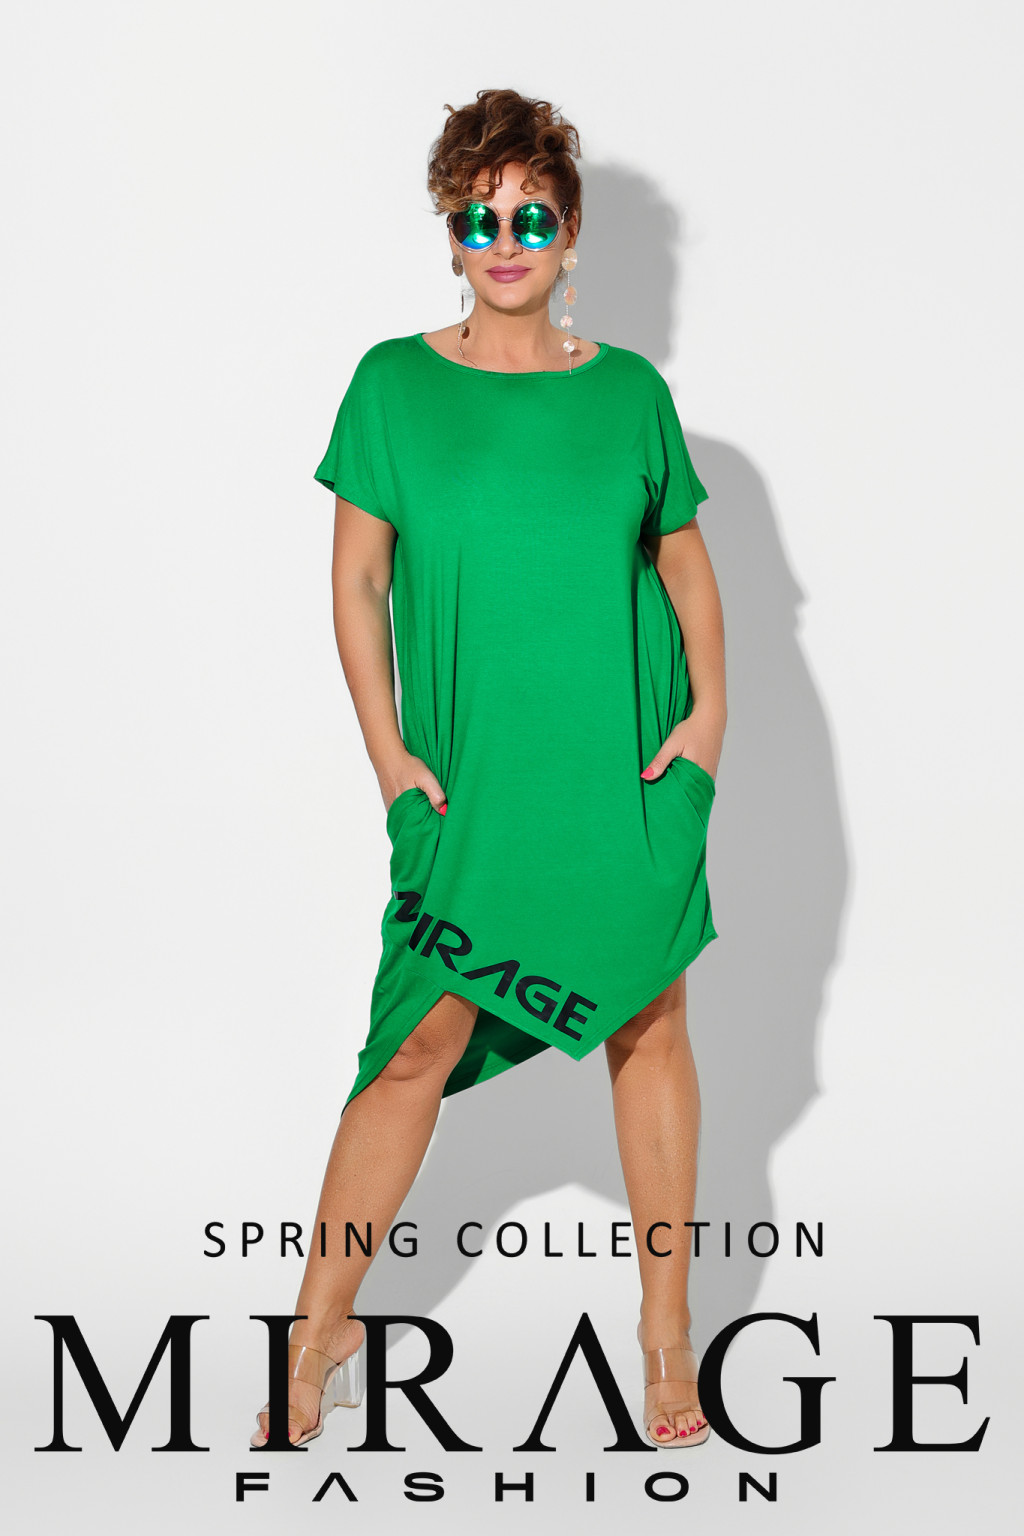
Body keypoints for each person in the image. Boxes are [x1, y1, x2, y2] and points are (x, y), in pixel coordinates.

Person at [250, 87, 727, 1452]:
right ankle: (319, 1330)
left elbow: (686, 568)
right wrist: (391, 758)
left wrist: (706, 726)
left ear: (570, 236)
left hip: (619, 786)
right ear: (450, 232)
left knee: (648, 1024)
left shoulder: (630, 395)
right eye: (480, 217)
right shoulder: (393, 386)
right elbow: (357, 582)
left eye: (532, 217)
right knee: (413, 1043)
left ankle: (667, 1341)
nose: (505, 241)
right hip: (471, 789)